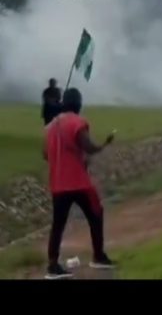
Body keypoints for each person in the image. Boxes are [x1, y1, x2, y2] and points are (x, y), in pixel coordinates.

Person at [43, 88, 115, 279]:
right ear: (78, 104)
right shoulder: (77, 122)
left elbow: (45, 154)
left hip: (57, 183)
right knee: (96, 213)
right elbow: (88, 146)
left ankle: (52, 266)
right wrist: (104, 145)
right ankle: (98, 256)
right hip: (77, 182)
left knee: (57, 224)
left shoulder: (51, 127)